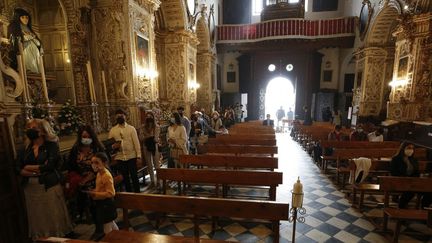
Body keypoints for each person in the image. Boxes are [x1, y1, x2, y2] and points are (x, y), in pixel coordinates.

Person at [16, 119, 72, 240]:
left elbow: (50, 166)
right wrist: (37, 171)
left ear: (42, 131)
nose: (30, 130)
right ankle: (41, 238)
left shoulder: (51, 145)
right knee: (37, 216)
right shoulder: (25, 148)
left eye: (33, 128)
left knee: (52, 214)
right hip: (31, 188)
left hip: (49, 185)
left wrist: (28, 167)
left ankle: (56, 237)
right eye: (28, 128)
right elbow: (18, 167)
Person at [66, 125, 105, 222]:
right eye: (84, 137)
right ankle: (85, 214)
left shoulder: (97, 148)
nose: (86, 139)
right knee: (81, 191)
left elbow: (102, 166)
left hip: (97, 178)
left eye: (88, 136)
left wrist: (88, 178)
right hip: (81, 179)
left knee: (95, 199)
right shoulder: (76, 150)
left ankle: (99, 223)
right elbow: (71, 166)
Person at [390, 142, 432, 209]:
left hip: (412, 182)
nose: (411, 150)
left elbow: (416, 172)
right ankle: (401, 207)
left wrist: (419, 178)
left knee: (429, 191)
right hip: (400, 181)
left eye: (412, 148)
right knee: (411, 191)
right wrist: (406, 179)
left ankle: (424, 208)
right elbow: (393, 172)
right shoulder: (396, 159)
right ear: (403, 149)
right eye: (409, 148)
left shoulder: (413, 160)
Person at [108, 109, 142, 192]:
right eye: (118, 116)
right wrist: (113, 146)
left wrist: (138, 156)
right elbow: (109, 144)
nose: (120, 117)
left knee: (134, 176)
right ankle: (129, 195)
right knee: (125, 178)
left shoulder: (131, 129)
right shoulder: (113, 130)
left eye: (121, 115)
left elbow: (136, 143)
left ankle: (138, 194)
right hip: (120, 158)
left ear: (125, 116)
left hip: (131, 156)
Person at [87, 152, 118, 240]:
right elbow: (100, 188)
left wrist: (96, 194)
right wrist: (94, 191)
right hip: (101, 204)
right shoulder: (99, 174)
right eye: (92, 162)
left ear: (104, 163)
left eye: (97, 162)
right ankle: (122, 239)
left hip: (106, 205)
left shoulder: (106, 175)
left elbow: (111, 193)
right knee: (112, 225)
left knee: (107, 231)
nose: (94, 165)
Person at [8, 8, 43, 73]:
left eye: (27, 17)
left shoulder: (29, 29)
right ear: (18, 18)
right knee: (29, 68)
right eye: (22, 17)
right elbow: (16, 41)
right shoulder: (14, 27)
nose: (25, 19)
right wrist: (29, 37)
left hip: (35, 54)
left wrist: (35, 40)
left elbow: (37, 42)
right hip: (25, 51)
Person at [139, 112, 160, 188]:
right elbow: (141, 137)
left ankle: (158, 180)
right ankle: (152, 181)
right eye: (147, 117)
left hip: (154, 146)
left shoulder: (156, 127)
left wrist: (148, 136)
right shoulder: (142, 127)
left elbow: (156, 138)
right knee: (149, 164)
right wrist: (147, 137)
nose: (149, 118)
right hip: (146, 146)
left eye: (150, 117)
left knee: (156, 164)